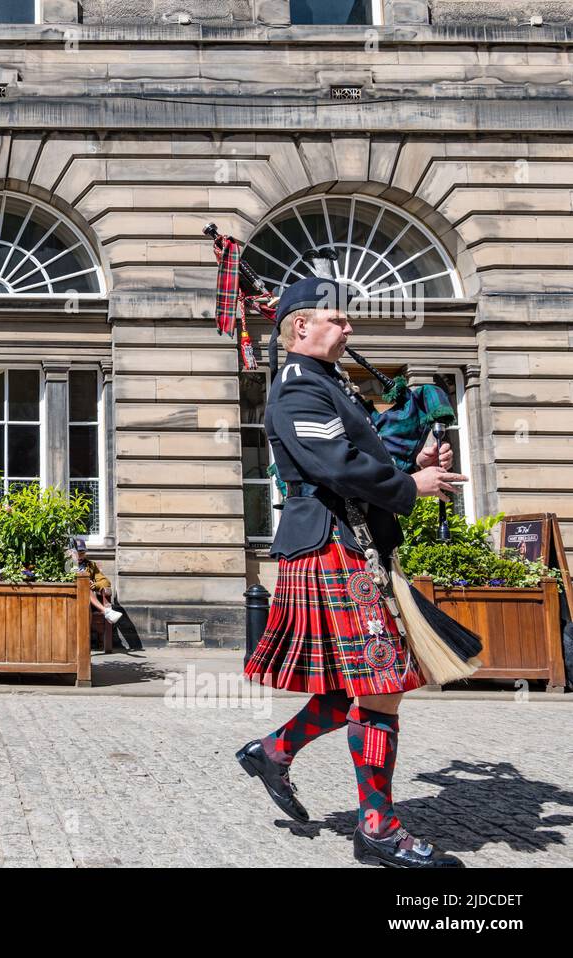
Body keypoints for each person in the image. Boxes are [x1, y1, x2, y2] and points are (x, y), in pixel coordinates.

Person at [235, 278, 467, 868]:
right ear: (300, 327)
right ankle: (378, 829)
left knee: (354, 687)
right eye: (337, 318)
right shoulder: (294, 390)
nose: (349, 327)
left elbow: (359, 457)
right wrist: (408, 486)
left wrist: (409, 461)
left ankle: (273, 751)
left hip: (352, 546)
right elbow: (335, 466)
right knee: (382, 684)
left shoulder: (326, 384)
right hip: (332, 549)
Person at [70, 536, 123, 625]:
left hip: (87, 601)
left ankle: (86, 638)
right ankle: (106, 611)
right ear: (71, 553)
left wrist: (95, 585)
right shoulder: (67, 564)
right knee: (84, 586)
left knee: (86, 603)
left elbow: (106, 582)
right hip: (72, 597)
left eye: (82, 553)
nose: (79, 556)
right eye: (77, 553)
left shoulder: (91, 565)